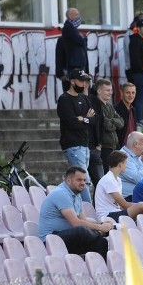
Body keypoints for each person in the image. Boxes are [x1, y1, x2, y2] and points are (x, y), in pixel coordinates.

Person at [38, 167, 113, 257]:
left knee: (101, 242)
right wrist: (101, 228)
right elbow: (76, 223)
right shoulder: (62, 194)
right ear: (68, 181)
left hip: (67, 238)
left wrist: (101, 224)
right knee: (81, 230)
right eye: (79, 180)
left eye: (84, 180)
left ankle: (99, 270)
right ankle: (100, 233)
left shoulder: (77, 195)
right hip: (50, 239)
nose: (83, 183)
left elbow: (83, 220)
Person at [56, 68, 95, 203]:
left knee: (82, 181)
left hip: (85, 145)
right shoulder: (64, 99)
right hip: (73, 145)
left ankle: (78, 208)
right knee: (83, 180)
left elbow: (93, 119)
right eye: (81, 81)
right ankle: (89, 210)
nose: (84, 84)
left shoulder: (84, 98)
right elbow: (71, 122)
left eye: (85, 81)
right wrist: (85, 119)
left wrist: (82, 118)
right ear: (72, 82)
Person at [93, 150, 143, 221]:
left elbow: (120, 206)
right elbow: (124, 204)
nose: (126, 165)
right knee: (141, 206)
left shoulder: (118, 179)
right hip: (107, 216)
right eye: (125, 163)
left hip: (116, 212)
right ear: (120, 164)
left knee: (142, 210)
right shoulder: (108, 179)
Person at [92, 78, 126, 173]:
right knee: (107, 174)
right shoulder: (95, 106)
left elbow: (121, 122)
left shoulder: (110, 106)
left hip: (113, 147)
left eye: (111, 90)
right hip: (103, 148)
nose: (110, 92)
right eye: (107, 90)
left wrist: (112, 122)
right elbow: (107, 125)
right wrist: (113, 122)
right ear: (99, 91)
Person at [119, 131, 143, 199]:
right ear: (136, 144)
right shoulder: (123, 157)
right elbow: (139, 179)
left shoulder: (139, 156)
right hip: (130, 198)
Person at [60, 8, 89, 78]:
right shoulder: (69, 27)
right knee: (78, 84)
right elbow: (81, 41)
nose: (78, 17)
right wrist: (83, 38)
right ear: (70, 16)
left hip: (77, 62)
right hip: (75, 63)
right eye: (76, 15)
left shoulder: (72, 28)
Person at [113, 82, 137, 148]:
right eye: (128, 93)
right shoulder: (115, 109)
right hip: (119, 148)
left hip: (131, 148)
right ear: (122, 93)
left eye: (133, 93)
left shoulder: (133, 110)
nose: (131, 95)